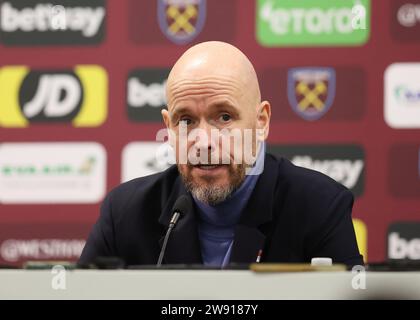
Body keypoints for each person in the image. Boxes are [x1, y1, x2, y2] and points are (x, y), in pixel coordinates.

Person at [79, 41, 363, 267]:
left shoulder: (318, 206)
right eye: (186, 121)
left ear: (261, 121)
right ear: (168, 127)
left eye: (224, 117)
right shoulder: (125, 215)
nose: (203, 142)